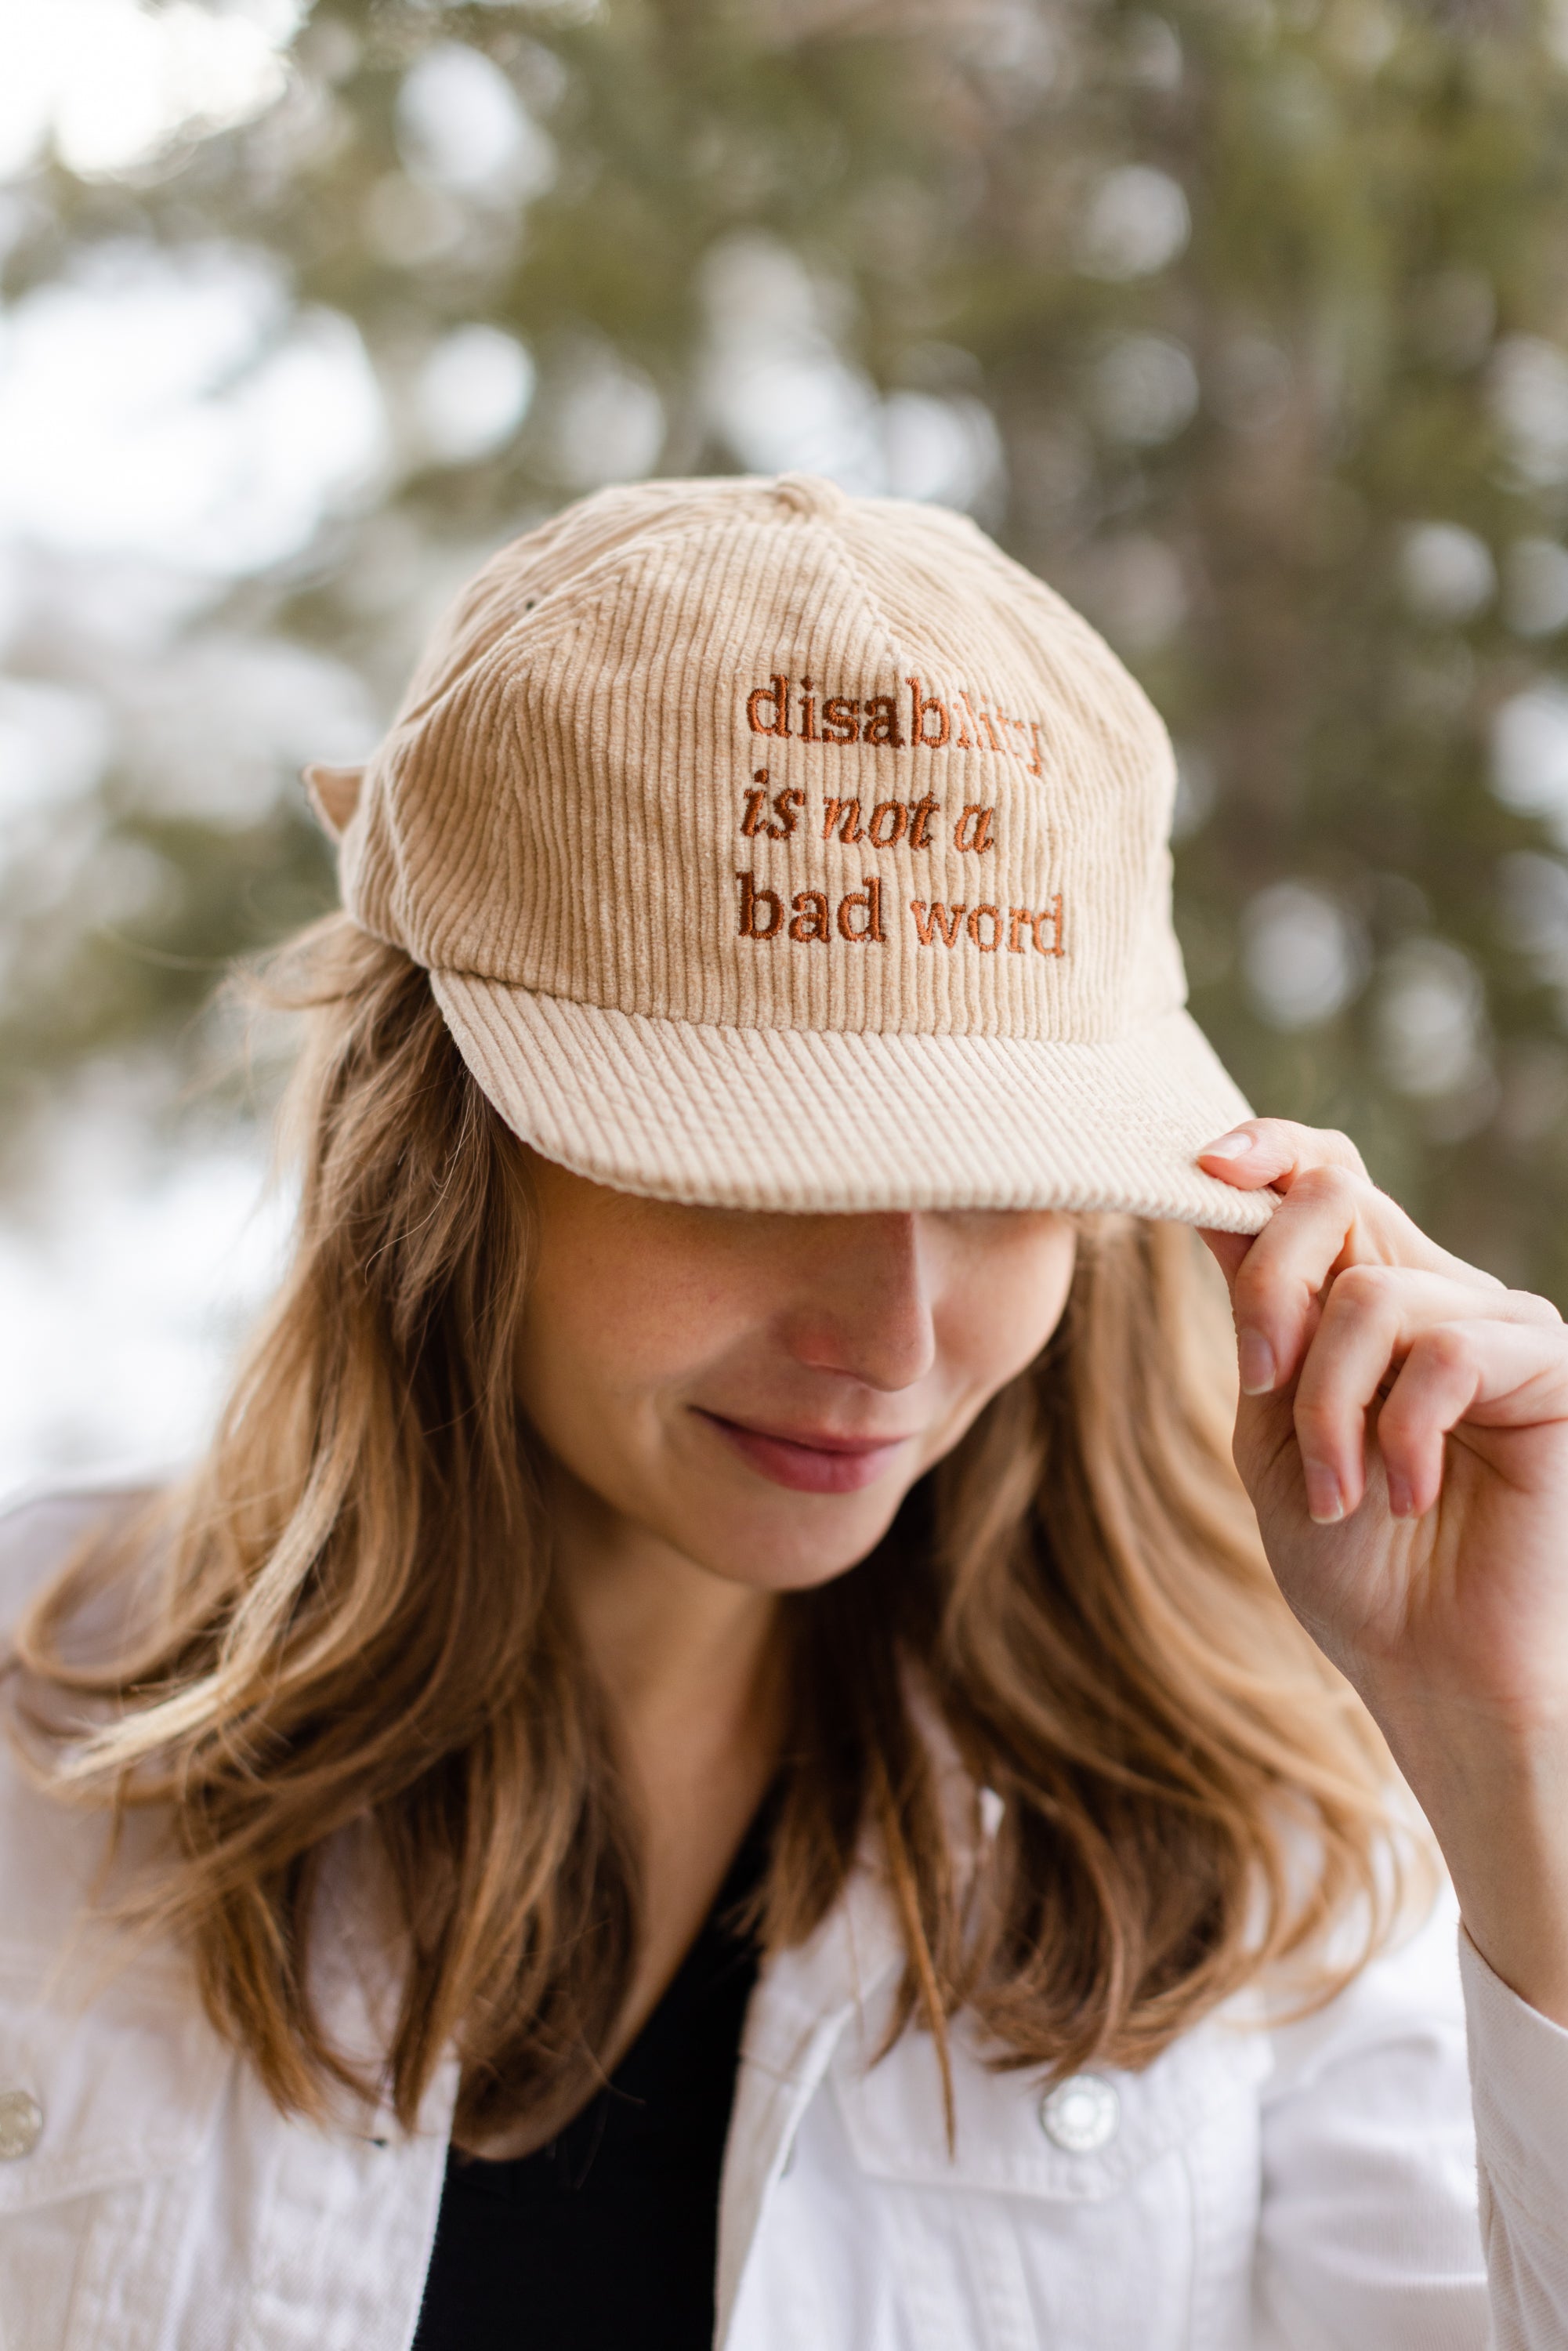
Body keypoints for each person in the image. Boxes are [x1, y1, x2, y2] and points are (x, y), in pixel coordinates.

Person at [2, 472, 1566, 2351]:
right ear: (441, 1152)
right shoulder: (39, 1743)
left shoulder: (1279, 1868)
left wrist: (1501, 1742)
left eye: (1002, 1184)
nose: (894, 1340)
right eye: (754, 1171)